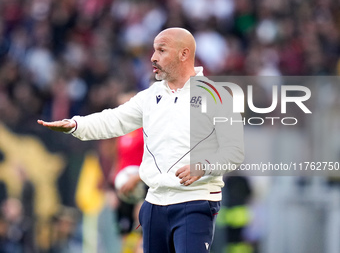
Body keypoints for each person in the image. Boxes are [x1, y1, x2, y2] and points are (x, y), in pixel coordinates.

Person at [38, 27, 244, 253]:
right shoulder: (150, 96)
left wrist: (204, 166)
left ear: (184, 54)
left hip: (194, 201)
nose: (153, 57)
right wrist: (76, 125)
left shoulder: (218, 95)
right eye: (154, 50)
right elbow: (113, 119)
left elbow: (234, 152)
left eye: (161, 50)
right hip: (153, 204)